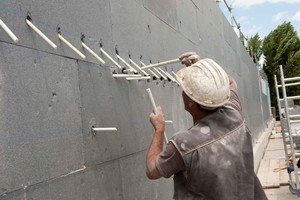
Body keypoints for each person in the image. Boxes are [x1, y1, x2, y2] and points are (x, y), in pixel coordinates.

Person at [145, 52, 267, 200]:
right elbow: (230, 83)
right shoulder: (234, 113)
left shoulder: (184, 144)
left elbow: (152, 170)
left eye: (185, 89)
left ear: (191, 102)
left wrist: (159, 129)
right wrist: (201, 69)